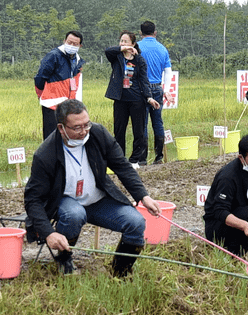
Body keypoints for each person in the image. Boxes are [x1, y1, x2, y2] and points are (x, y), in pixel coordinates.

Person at [24, 99, 162, 276]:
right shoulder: (46, 154)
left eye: (86, 124)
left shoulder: (97, 134)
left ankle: (121, 272)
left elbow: (122, 166)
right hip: (67, 203)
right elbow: (32, 199)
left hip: (98, 200)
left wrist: (143, 196)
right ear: (61, 128)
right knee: (74, 214)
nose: (84, 131)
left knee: (136, 222)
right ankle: (64, 259)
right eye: (77, 128)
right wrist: (48, 233)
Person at [104, 31, 159, 167]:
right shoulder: (117, 57)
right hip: (120, 99)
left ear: (133, 44)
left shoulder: (139, 60)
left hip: (137, 99)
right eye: (121, 41)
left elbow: (144, 80)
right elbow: (107, 51)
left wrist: (149, 98)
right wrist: (123, 49)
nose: (122, 43)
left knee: (138, 131)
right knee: (119, 130)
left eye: (126, 41)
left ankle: (135, 159)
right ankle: (120, 159)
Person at [35, 30, 84, 139]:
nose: (71, 45)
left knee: (66, 137)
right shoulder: (53, 56)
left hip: (68, 106)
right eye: (69, 42)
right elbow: (40, 78)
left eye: (75, 44)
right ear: (64, 41)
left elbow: (75, 83)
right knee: (51, 138)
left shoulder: (78, 60)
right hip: (52, 104)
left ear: (80, 46)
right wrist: (41, 95)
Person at [137, 21, 171, 164]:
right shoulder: (162, 49)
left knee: (142, 123)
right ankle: (159, 157)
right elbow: (168, 71)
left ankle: (142, 158)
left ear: (140, 33)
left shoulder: (137, 47)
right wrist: (167, 90)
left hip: (141, 89)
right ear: (155, 32)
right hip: (157, 88)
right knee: (157, 122)